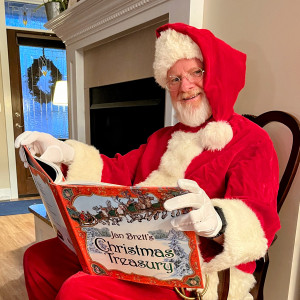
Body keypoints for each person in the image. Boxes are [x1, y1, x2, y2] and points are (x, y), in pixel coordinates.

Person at [15, 23, 280, 300]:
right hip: (134, 249)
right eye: (174, 79)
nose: (185, 86)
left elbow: (260, 219)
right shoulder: (163, 137)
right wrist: (66, 152)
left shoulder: (252, 140)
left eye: (195, 72)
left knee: (79, 290)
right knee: (39, 260)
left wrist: (218, 223)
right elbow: (118, 171)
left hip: (200, 273)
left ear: (216, 73)